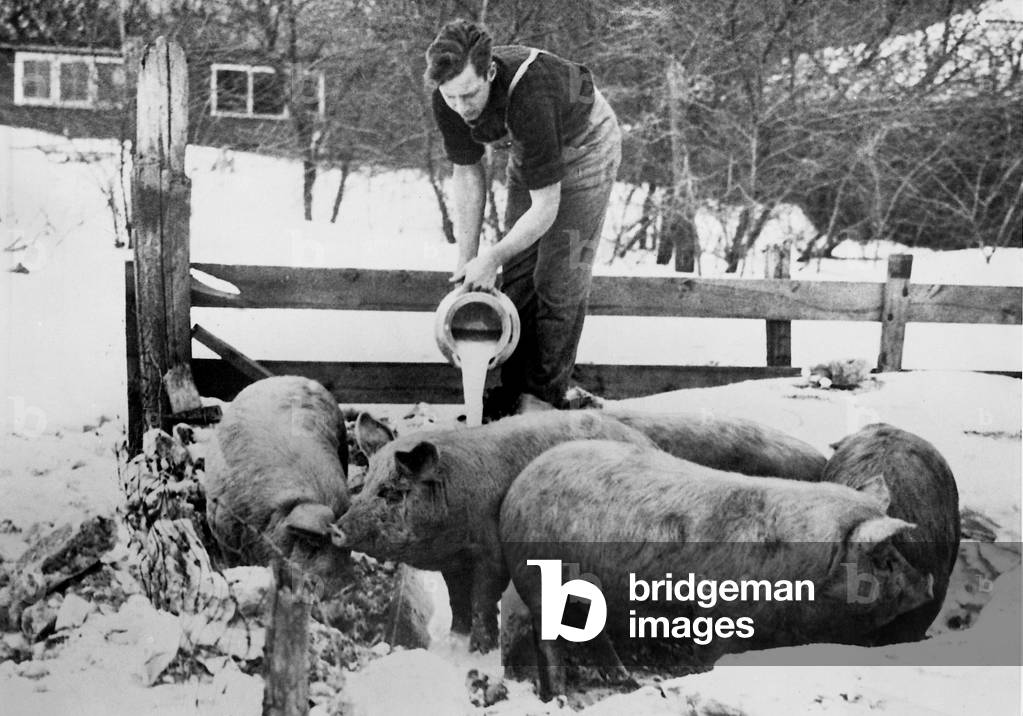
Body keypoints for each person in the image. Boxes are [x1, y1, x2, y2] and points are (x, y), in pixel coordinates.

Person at [425, 19, 622, 416]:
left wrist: (491, 256)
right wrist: (468, 260)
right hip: (533, 149)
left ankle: (541, 402)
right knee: (517, 273)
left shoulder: (530, 95)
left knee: (559, 277)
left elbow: (545, 209)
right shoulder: (448, 98)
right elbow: (467, 170)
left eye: (469, 95)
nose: (461, 108)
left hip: (586, 147)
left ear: (491, 73)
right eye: (451, 98)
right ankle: (511, 391)